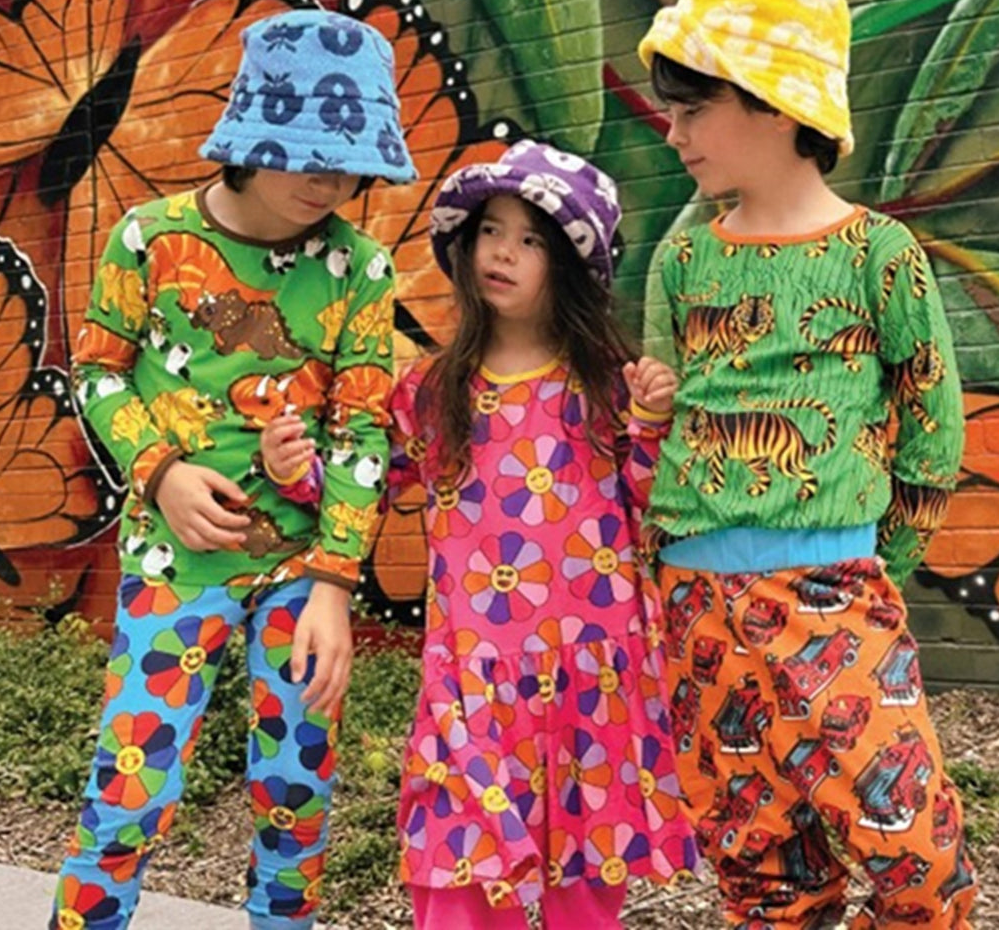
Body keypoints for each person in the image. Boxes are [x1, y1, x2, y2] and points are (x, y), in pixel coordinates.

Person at [264, 139, 697, 929]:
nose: (502, 251)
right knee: (456, 871)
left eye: (531, 240)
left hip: (589, 674)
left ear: (570, 267)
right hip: (472, 677)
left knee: (582, 886)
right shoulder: (433, 393)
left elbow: (650, 503)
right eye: (491, 230)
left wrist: (651, 419)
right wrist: (299, 472)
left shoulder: (604, 383)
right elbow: (369, 488)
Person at [51, 10, 417, 930]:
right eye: (310, 155)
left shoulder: (359, 268)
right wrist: (160, 471)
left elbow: (361, 431)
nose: (330, 180)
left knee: (297, 795)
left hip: (301, 573)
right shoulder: (149, 238)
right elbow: (97, 369)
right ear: (253, 134)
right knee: (129, 793)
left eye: (349, 162)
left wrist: (335, 581)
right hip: (174, 569)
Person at [636, 0, 977, 928]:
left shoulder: (878, 254)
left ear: (776, 101)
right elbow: (659, 424)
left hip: (835, 592)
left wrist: (875, 565)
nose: (672, 132)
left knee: (922, 874)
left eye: (692, 108)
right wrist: (648, 409)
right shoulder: (684, 255)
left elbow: (932, 427)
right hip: (696, 608)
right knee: (762, 877)